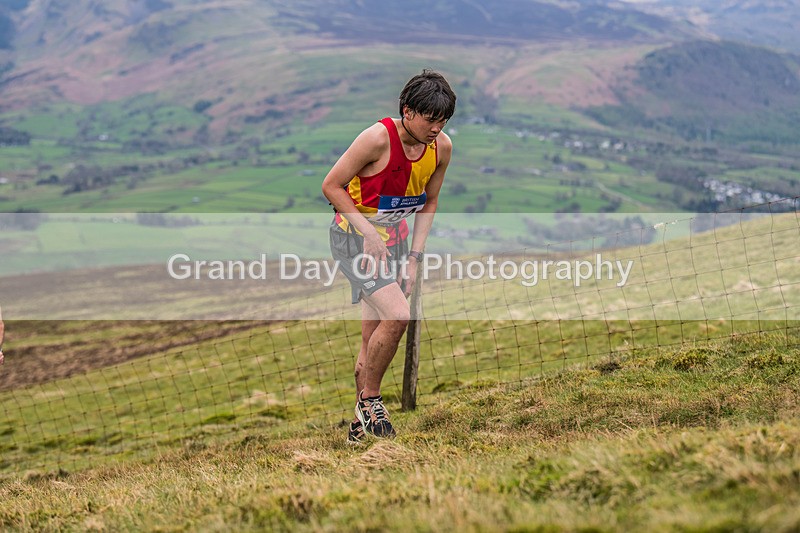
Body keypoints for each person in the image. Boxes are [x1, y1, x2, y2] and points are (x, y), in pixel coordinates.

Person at [322, 69, 456, 443]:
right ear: (407, 111)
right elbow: (330, 185)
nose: (437, 128)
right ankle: (371, 401)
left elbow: (430, 200)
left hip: (395, 244)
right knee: (398, 316)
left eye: (443, 120)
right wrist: (368, 233)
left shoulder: (441, 147)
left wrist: (414, 256)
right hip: (354, 240)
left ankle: (356, 429)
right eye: (430, 118)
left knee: (372, 339)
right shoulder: (376, 139)